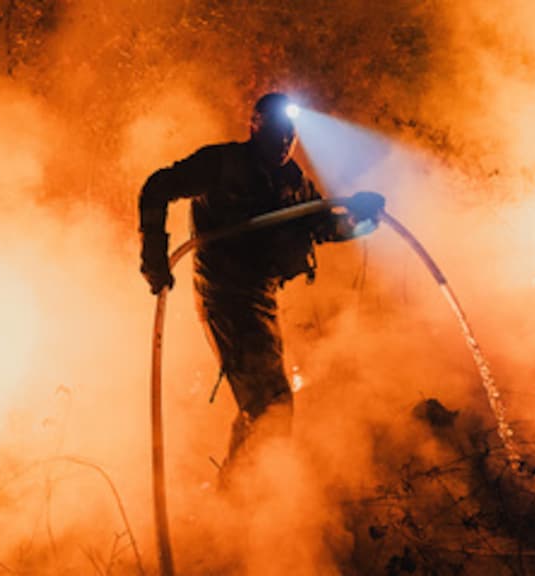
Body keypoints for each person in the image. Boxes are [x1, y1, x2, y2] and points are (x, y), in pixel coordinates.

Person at [138, 92, 385, 480]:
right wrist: (153, 252)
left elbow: (324, 227)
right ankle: (245, 496)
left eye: (290, 134)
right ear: (254, 127)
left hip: (261, 300)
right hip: (224, 297)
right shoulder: (221, 164)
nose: (284, 142)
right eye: (275, 132)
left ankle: (236, 494)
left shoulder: (293, 182)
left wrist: (362, 218)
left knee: (264, 404)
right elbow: (157, 188)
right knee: (271, 407)